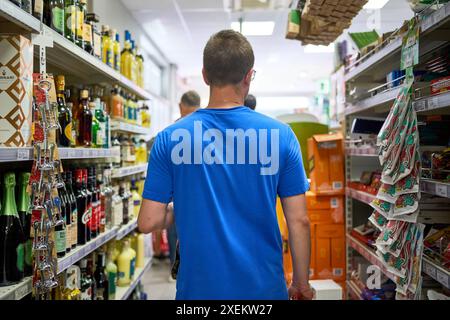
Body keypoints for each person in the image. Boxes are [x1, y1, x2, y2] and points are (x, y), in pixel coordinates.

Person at [138, 30, 313, 300]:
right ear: (248, 77)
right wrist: (301, 284)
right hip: (263, 292)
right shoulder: (282, 136)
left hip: (197, 294)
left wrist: (181, 209)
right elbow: (299, 220)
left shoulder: (169, 138)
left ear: (205, 75)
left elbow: (148, 221)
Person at [167, 90, 201, 282]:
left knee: (176, 232)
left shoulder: (175, 129)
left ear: (181, 105)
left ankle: (177, 268)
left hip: (178, 196)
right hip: (201, 196)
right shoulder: (207, 127)